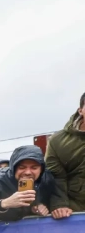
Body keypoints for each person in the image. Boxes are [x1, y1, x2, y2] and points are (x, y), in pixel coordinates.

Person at [45, 91, 85, 220]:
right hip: (75, 213)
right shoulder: (58, 141)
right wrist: (59, 205)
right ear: (80, 110)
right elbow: (55, 176)